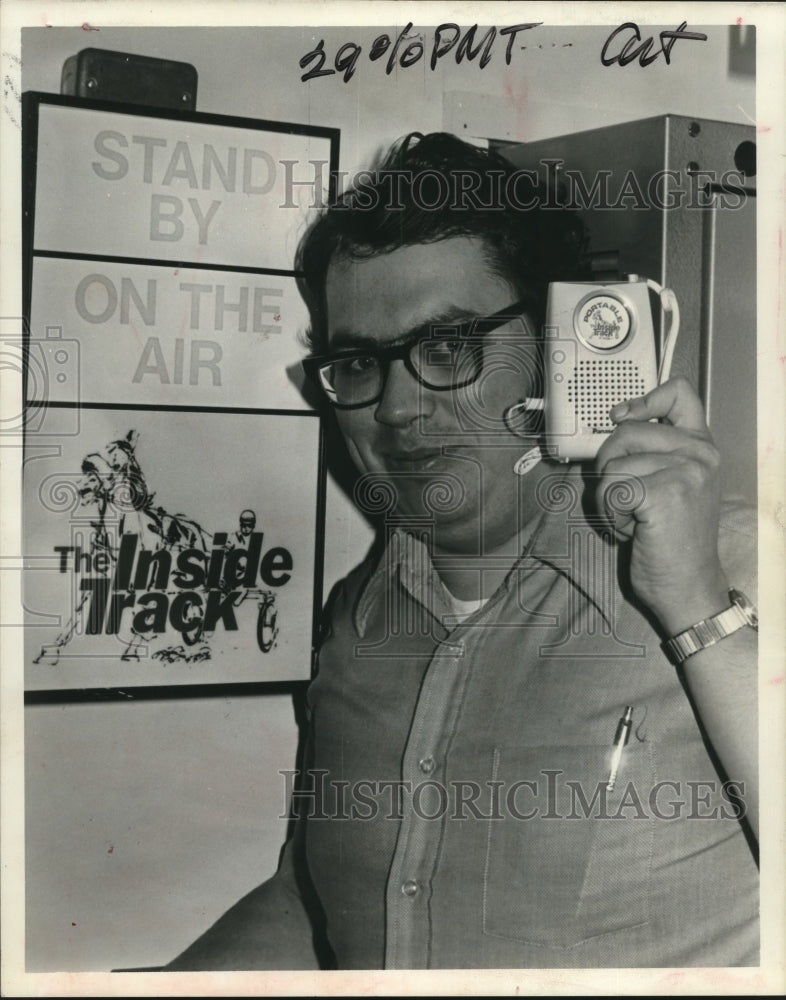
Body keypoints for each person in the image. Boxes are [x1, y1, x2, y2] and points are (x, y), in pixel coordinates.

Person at [167, 133, 758, 970]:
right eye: (359, 363)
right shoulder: (358, 616)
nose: (399, 409)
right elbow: (314, 904)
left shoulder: (733, 566)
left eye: (448, 350)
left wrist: (698, 607)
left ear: (553, 356)